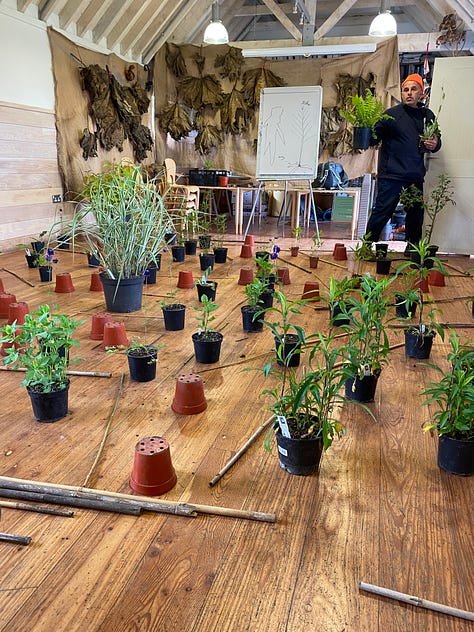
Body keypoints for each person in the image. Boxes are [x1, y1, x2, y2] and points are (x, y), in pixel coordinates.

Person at [364, 73, 441, 251]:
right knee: (383, 210)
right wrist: (365, 131)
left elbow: (436, 141)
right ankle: (367, 245)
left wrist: (435, 144)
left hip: (414, 174)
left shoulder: (427, 115)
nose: (409, 93)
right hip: (391, 174)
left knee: (415, 213)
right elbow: (373, 138)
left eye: (413, 89)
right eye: (405, 89)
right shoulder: (391, 115)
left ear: (421, 93)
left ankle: (413, 248)